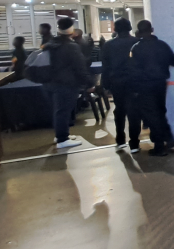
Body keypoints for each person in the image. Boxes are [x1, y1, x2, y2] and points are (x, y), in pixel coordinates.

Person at [129, 20, 174, 156]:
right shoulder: (162, 45)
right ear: (152, 29)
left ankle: (159, 147)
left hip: (144, 86)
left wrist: (134, 88)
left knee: (152, 115)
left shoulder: (136, 48)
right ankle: (168, 137)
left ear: (138, 32)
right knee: (160, 111)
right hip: (161, 84)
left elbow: (132, 70)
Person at [43, 18, 94, 149]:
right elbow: (80, 68)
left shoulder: (50, 44)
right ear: (71, 31)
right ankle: (62, 139)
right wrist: (89, 84)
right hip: (66, 84)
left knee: (58, 111)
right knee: (63, 111)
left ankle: (60, 134)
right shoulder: (71, 47)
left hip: (49, 83)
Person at [102, 18, 142, 153]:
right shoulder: (137, 42)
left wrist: (105, 85)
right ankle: (134, 143)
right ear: (130, 28)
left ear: (115, 29)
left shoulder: (108, 45)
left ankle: (120, 139)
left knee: (119, 110)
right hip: (134, 82)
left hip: (116, 82)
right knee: (134, 112)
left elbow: (105, 67)